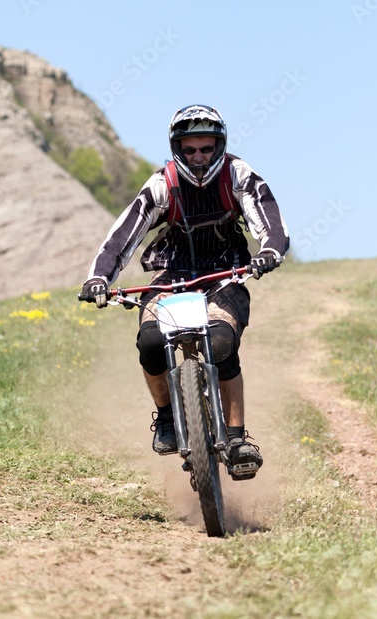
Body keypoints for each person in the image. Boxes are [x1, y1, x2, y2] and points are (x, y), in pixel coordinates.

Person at [80, 104, 290, 479]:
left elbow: (268, 217)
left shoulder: (237, 175)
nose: (198, 157)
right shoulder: (163, 184)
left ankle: (238, 437)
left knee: (222, 342)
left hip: (227, 274)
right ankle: (166, 418)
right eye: (190, 149)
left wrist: (270, 251)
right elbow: (123, 235)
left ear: (219, 145)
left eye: (207, 148)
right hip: (169, 275)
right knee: (149, 343)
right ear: (177, 147)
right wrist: (99, 278)